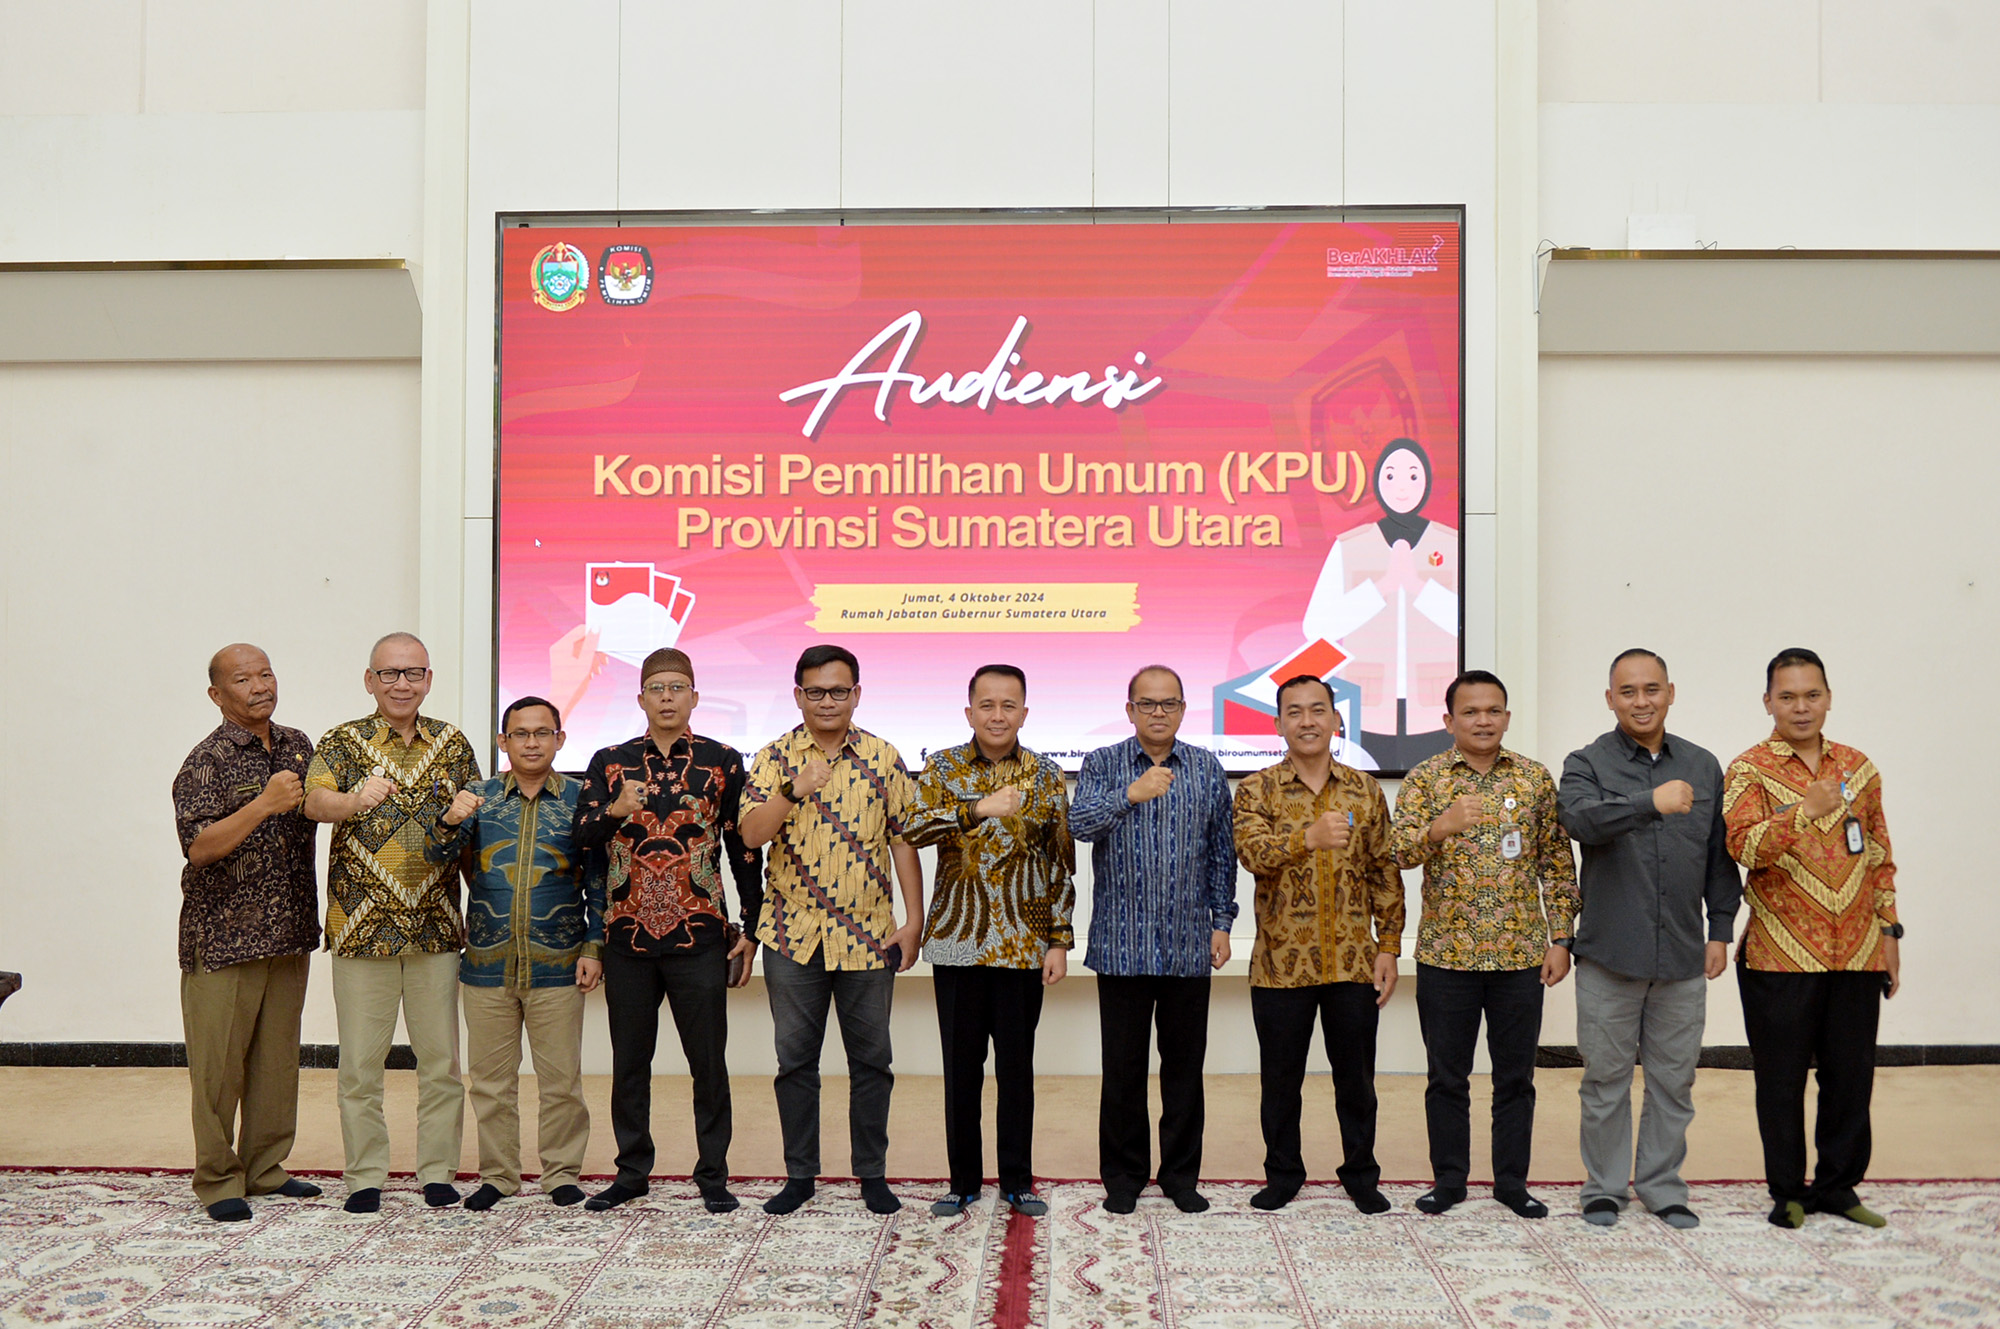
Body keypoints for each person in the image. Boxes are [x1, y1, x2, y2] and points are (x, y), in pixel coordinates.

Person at [572, 648, 763, 1214]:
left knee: (709, 1062)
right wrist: (613, 811)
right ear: (640, 699)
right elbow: (580, 837)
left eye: (677, 687)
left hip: (699, 935)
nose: (667, 697)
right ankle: (631, 1172)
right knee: (630, 1063)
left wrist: (752, 927)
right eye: (656, 688)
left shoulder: (723, 761)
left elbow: (743, 848)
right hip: (627, 938)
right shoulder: (610, 762)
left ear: (695, 697)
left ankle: (713, 1175)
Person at [1558, 649, 1741, 1229]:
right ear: (1610, 699)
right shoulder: (1586, 763)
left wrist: (1720, 929)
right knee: (1605, 1081)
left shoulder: (1703, 766)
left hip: (1683, 955)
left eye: (1652, 689)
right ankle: (1604, 1188)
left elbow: (1718, 856)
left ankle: (1662, 1187)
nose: (1642, 701)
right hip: (1610, 956)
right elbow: (1580, 822)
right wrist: (1649, 803)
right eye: (1629, 691)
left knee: (1673, 1082)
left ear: (1670, 693)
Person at [738, 644, 922, 1216]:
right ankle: (800, 1176)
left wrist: (914, 921)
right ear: (798, 696)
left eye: (838, 691)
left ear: (856, 694)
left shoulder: (884, 757)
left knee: (872, 1062)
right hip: (792, 935)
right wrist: (793, 789)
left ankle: (872, 1174)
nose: (827, 702)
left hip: (869, 934)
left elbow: (903, 841)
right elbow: (750, 836)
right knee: (795, 1062)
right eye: (815, 692)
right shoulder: (773, 758)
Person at [305, 632, 482, 1213]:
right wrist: (354, 799)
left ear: (428, 679)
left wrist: (482, 905)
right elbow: (313, 803)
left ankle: (438, 1172)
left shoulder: (452, 743)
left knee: (441, 1064)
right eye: (389, 673)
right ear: (369, 680)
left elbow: (470, 829)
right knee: (360, 1066)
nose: (401, 684)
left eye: (413, 673)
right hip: (362, 928)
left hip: (435, 927)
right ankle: (365, 1177)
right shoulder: (342, 741)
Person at [1724, 648, 1901, 1230]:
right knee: (1781, 1081)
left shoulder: (1859, 768)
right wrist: (1803, 811)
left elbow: (1878, 856)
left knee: (1850, 1078)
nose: (1801, 707)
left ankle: (1838, 1188)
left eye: (1812, 695)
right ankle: (1787, 1191)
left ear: (1828, 698)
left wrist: (1889, 933)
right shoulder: (1748, 769)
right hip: (1780, 954)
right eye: (1788, 696)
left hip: (1857, 950)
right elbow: (1743, 848)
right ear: (1768, 702)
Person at [1391, 669, 1577, 1217]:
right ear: (1449, 721)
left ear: (1507, 717)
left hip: (1520, 956)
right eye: (1470, 712)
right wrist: (1439, 828)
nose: (1483, 721)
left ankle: (1512, 1183)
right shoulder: (1426, 779)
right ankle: (1449, 1181)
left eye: (1493, 710)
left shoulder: (1534, 779)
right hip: (1447, 956)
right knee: (1446, 1078)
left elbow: (1557, 865)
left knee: (1515, 1079)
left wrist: (1561, 938)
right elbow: (1396, 853)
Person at [904, 664, 1076, 1219]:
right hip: (958, 941)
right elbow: (912, 829)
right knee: (961, 1069)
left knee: (1016, 1070)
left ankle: (1018, 1181)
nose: (997, 715)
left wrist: (1058, 940)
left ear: (1024, 713)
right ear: (969, 711)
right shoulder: (942, 766)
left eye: (1008, 705)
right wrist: (977, 808)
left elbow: (1059, 863)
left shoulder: (1046, 775)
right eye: (987, 705)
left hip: (1024, 946)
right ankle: (962, 1183)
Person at [1232, 674, 1404, 1214]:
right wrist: (1306, 837)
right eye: (1295, 712)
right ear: (1277, 723)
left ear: (1336, 719)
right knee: (1280, 1082)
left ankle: (1361, 1174)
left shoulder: (1365, 790)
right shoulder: (1255, 790)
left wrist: (1389, 944)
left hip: (1353, 961)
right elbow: (1252, 855)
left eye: (1317, 710)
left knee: (1357, 1081)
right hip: (1280, 964)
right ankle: (1283, 1173)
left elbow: (1383, 870)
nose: (1307, 721)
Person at [1070, 665, 1237, 1215]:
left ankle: (1181, 1177)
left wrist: (1222, 921)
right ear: (1130, 710)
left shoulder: (1206, 768)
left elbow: (1221, 852)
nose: (1158, 712)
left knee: (1184, 1071)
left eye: (1169, 703)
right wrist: (1130, 795)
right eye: (1147, 703)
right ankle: (1123, 1177)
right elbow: (1080, 824)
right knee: (1122, 1071)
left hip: (1189, 944)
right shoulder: (1103, 764)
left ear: (1184, 710)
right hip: (1122, 945)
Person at [427, 696, 604, 1212]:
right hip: (487, 963)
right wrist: (448, 820)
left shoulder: (581, 799)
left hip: (559, 962)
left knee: (561, 1082)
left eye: (542, 732)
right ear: (503, 741)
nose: (531, 742)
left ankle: (561, 1173)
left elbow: (599, 878)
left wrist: (594, 945)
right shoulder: (478, 797)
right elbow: (437, 857)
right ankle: (498, 1176)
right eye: (520, 733)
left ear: (560, 739)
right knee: (490, 1083)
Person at [171, 644, 323, 1222]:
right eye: (243, 679)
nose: (260, 686)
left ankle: (265, 1168)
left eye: (266, 673)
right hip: (224, 940)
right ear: (217, 694)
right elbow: (199, 847)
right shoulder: (204, 762)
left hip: (288, 931)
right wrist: (263, 804)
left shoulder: (298, 745)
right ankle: (217, 1179)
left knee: (277, 1063)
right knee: (219, 1069)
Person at [1280, 438, 1459, 770]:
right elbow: (1316, 626)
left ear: (1427, 482)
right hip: (1370, 707)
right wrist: (1382, 587)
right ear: (1377, 482)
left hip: (1436, 707)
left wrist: (1419, 587)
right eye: (1390, 476)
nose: (1401, 487)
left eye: (1413, 476)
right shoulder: (1350, 545)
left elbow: (1467, 623)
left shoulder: (1452, 543)